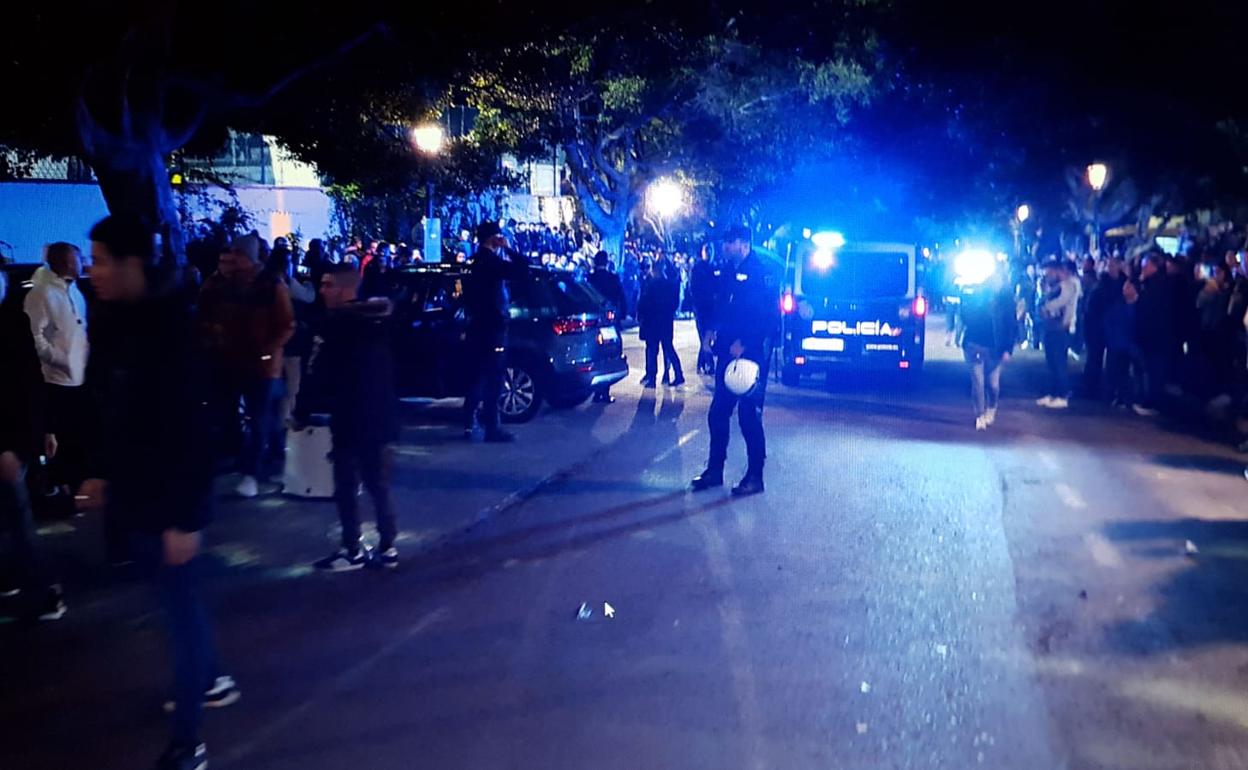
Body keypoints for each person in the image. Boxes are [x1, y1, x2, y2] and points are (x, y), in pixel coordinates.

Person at [79, 215, 238, 770]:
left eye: (99, 260)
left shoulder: (172, 330)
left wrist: (187, 518)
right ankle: (208, 679)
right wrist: (101, 471)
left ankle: (188, 741)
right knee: (178, 606)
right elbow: (116, 409)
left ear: (131, 264)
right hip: (140, 496)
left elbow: (195, 429)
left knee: (181, 612)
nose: (90, 270)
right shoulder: (117, 322)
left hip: (168, 504)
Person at [293, 265, 400, 570]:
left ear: (344, 289)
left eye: (327, 285)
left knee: (345, 483)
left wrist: (302, 412)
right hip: (380, 413)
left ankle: (352, 548)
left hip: (350, 415)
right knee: (378, 482)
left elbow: (313, 373)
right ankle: (388, 545)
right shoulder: (378, 320)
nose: (322, 290)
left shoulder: (329, 327)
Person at [198, 234, 295, 497]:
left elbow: (286, 323)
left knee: (260, 415)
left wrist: (267, 350)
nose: (234, 259)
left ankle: (253, 470)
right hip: (231, 360)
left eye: (239, 254)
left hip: (262, 364)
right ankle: (253, 460)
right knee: (238, 414)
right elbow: (204, 314)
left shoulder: (270, 285)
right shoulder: (221, 285)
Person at [691, 226, 779, 497]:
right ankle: (714, 470)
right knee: (718, 413)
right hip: (727, 352)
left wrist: (747, 343)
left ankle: (755, 476)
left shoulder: (761, 272)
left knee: (749, 417)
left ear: (743, 244)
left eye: (729, 243)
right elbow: (721, 308)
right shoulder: (727, 271)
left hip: (751, 355)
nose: (725, 248)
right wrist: (709, 334)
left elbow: (768, 318)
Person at [0, 268, 66, 622]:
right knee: (15, 515)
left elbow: (29, 382)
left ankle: (37, 586)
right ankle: (30, 586)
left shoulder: (13, 319)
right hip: (11, 439)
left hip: (13, 438)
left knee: (17, 515)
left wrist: (41, 431)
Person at [23, 242, 91, 510]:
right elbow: (35, 336)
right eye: (77, 259)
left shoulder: (75, 292)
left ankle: (77, 490)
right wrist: (61, 360)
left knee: (78, 438)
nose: (82, 262)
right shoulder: (41, 294)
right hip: (56, 381)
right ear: (64, 262)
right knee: (61, 441)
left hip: (81, 377)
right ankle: (60, 493)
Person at [462, 221, 531, 442]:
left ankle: (469, 422)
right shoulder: (491, 262)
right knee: (493, 377)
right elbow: (522, 269)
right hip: (492, 327)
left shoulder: (474, 262)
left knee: (476, 376)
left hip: (477, 326)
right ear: (494, 238)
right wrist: (509, 248)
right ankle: (492, 427)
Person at [961, 270, 1017, 430]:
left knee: (993, 384)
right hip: (974, 344)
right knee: (978, 382)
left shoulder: (1007, 302)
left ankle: (992, 408)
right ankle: (979, 415)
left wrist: (1008, 349)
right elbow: (966, 317)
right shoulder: (978, 297)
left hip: (995, 348)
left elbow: (1011, 327)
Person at [1130, 251, 1176, 417]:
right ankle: (1148, 399)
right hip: (1150, 335)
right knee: (1148, 369)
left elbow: (1149, 308)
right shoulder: (1153, 283)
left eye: (1145, 264)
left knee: (1154, 370)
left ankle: (1153, 402)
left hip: (1156, 336)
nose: (1143, 268)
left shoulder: (1158, 285)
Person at [1036, 259, 1080, 409]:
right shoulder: (1057, 286)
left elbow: (1059, 302)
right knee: (1052, 362)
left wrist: (1045, 307)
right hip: (1052, 327)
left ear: (1057, 270)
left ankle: (1062, 394)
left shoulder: (1069, 285)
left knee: (1058, 362)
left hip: (1060, 328)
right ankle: (1054, 393)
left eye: (1049, 272)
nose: (1047, 276)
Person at [1082, 257, 1125, 399]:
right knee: (1095, 359)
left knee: (1114, 362)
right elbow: (1091, 308)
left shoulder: (1124, 283)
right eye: (1109, 265)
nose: (1110, 268)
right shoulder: (1101, 284)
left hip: (1116, 328)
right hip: (1099, 328)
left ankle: (1111, 390)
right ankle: (1091, 388)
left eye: (1113, 265)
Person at [638, 258, 684, 387]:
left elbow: (644, 302)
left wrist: (641, 315)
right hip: (666, 321)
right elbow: (674, 303)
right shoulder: (670, 284)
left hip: (653, 321)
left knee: (652, 350)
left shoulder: (652, 284)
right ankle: (678, 373)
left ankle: (652, 378)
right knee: (668, 348)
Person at [586, 250, 625, 403]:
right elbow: (621, 297)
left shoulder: (590, 278)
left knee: (595, 354)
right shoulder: (612, 278)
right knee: (609, 355)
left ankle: (596, 392)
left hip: (593, 321)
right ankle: (605, 391)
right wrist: (621, 315)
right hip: (609, 321)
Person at [690, 242, 719, 374]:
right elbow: (694, 289)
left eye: (710, 251)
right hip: (701, 308)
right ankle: (709, 363)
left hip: (711, 309)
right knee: (704, 337)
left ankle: (701, 362)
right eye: (706, 251)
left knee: (707, 337)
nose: (708, 254)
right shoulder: (698, 268)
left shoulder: (714, 267)